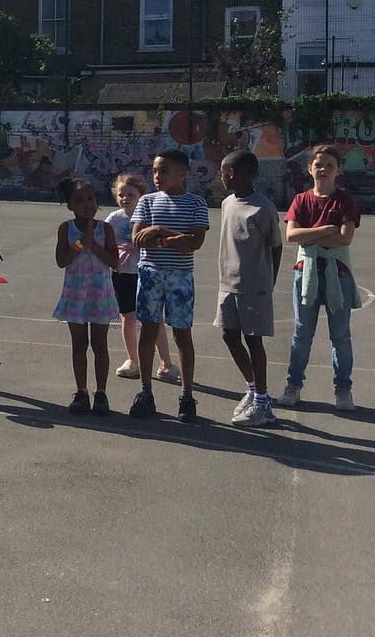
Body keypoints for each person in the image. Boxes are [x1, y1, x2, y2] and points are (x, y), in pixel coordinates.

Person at [128, 149, 209, 421]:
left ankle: (187, 395)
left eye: (163, 171)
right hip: (150, 273)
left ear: (182, 174)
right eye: (154, 171)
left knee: (182, 335)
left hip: (180, 277)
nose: (157, 176)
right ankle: (145, 391)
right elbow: (138, 238)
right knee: (148, 331)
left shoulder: (196, 203)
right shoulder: (147, 202)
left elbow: (194, 243)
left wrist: (160, 230)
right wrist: (170, 240)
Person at [280, 144, 362, 411]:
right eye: (318, 164)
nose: (323, 169)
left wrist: (311, 232)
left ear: (338, 170)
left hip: (337, 273)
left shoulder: (345, 201)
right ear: (309, 168)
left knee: (340, 336)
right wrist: (327, 229)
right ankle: (293, 385)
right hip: (307, 273)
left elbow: (344, 238)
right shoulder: (301, 200)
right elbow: (291, 236)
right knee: (302, 333)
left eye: (329, 164)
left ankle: (343, 389)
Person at [214, 151, 283, 428]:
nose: (221, 176)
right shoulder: (227, 203)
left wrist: (270, 281)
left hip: (254, 287)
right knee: (229, 336)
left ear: (235, 173)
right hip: (227, 284)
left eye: (223, 171)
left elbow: (276, 247)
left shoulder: (263, 208)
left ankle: (263, 402)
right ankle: (252, 389)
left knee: (254, 341)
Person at [52, 178, 120, 416]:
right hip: (75, 295)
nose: (87, 204)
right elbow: (61, 261)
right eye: (79, 201)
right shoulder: (66, 228)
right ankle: (81, 391)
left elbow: (115, 262)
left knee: (100, 345)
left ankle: (101, 393)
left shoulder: (105, 228)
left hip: (99, 294)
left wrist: (94, 245)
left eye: (90, 198)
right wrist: (81, 244)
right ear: (70, 205)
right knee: (79, 345)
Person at [106, 173, 177, 383]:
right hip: (122, 274)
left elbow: (160, 241)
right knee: (127, 317)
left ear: (141, 196)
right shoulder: (113, 219)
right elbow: (105, 243)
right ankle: (132, 361)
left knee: (154, 319)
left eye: (130, 194)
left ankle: (166, 364)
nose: (125, 198)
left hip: (145, 273)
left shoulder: (150, 216)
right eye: (121, 194)